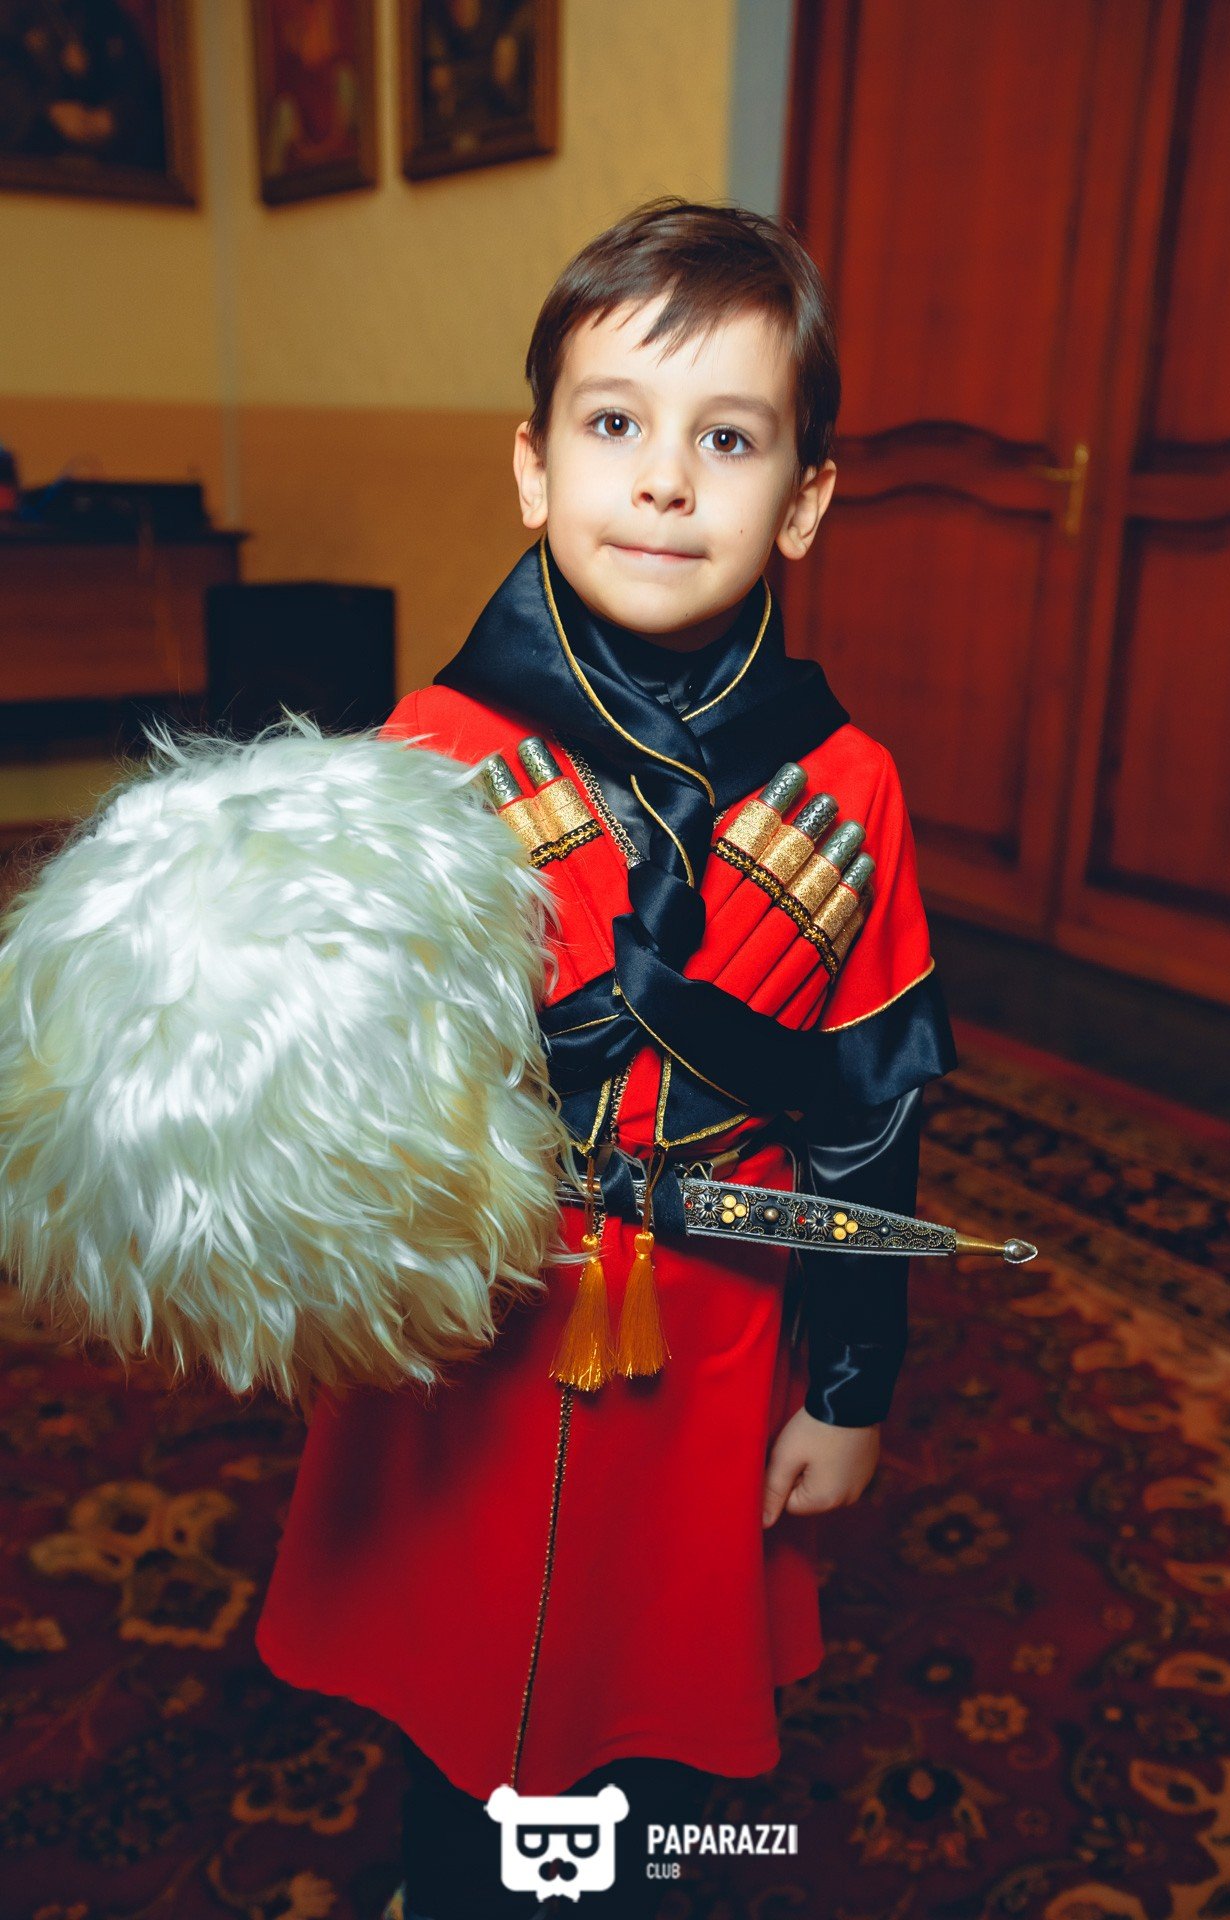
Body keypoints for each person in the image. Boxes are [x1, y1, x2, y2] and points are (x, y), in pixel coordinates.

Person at [253, 198, 956, 1920]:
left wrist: (852, 1387)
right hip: (475, 1329)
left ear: (804, 503)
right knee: (457, 1686)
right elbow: (339, 1091)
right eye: (616, 423)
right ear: (533, 466)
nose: (663, 482)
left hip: (710, 1334)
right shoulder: (431, 754)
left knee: (656, 1719)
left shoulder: (847, 786)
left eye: (728, 440)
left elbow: (870, 1113)